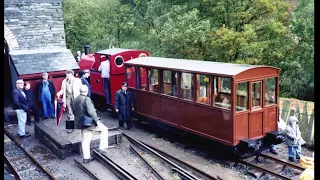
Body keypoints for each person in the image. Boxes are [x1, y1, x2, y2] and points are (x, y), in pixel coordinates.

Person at [73, 85, 110, 163]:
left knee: (85, 140)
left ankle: (86, 158)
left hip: (80, 123)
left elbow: (74, 111)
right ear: (87, 91)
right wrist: (97, 121)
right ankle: (102, 148)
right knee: (104, 129)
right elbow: (91, 112)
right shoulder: (87, 99)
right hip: (88, 123)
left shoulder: (75, 99)